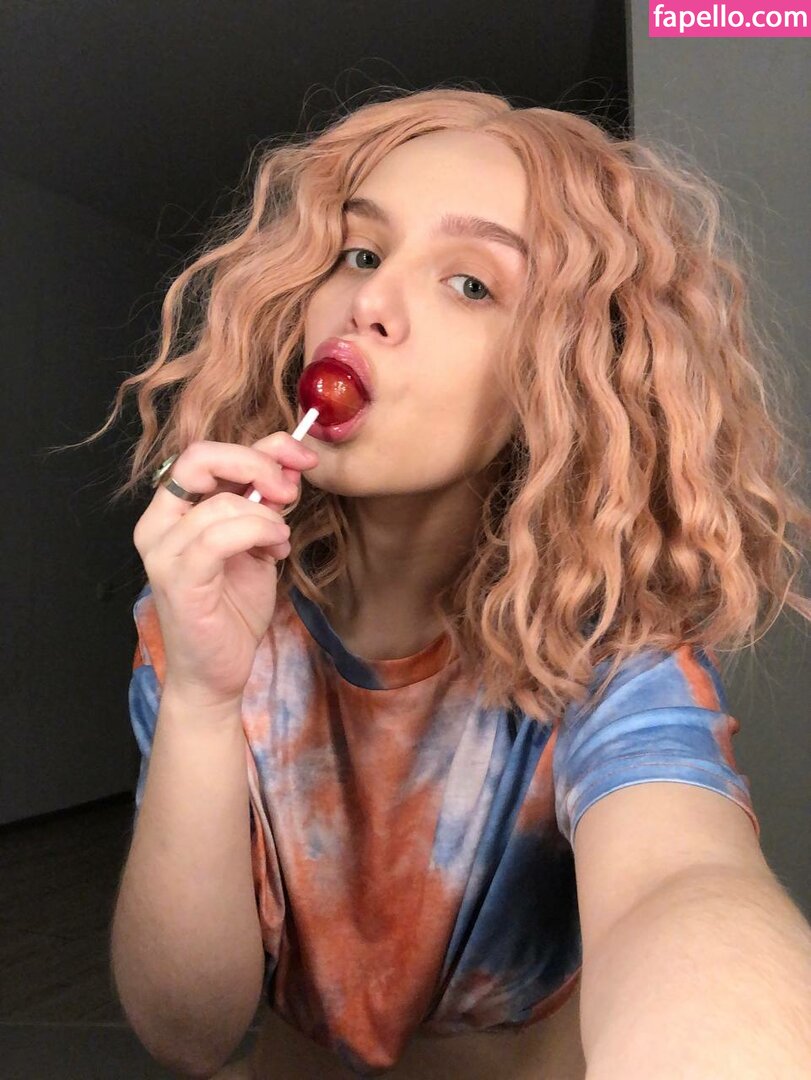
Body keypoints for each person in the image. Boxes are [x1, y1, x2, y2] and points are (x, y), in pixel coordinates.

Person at [66, 87, 809, 1078]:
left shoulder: (609, 655)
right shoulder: (204, 619)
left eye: (469, 284)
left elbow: (684, 881)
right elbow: (188, 1035)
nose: (369, 302)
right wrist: (203, 699)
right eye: (360, 253)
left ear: (559, 380)